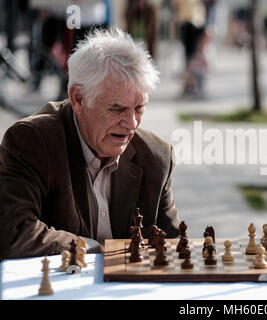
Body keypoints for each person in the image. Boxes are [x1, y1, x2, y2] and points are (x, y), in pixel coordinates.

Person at [0, 28, 181, 259]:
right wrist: (92, 248)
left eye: (139, 107)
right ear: (78, 99)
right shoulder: (31, 141)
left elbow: (174, 246)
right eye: (117, 108)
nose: (132, 123)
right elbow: (11, 233)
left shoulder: (157, 156)